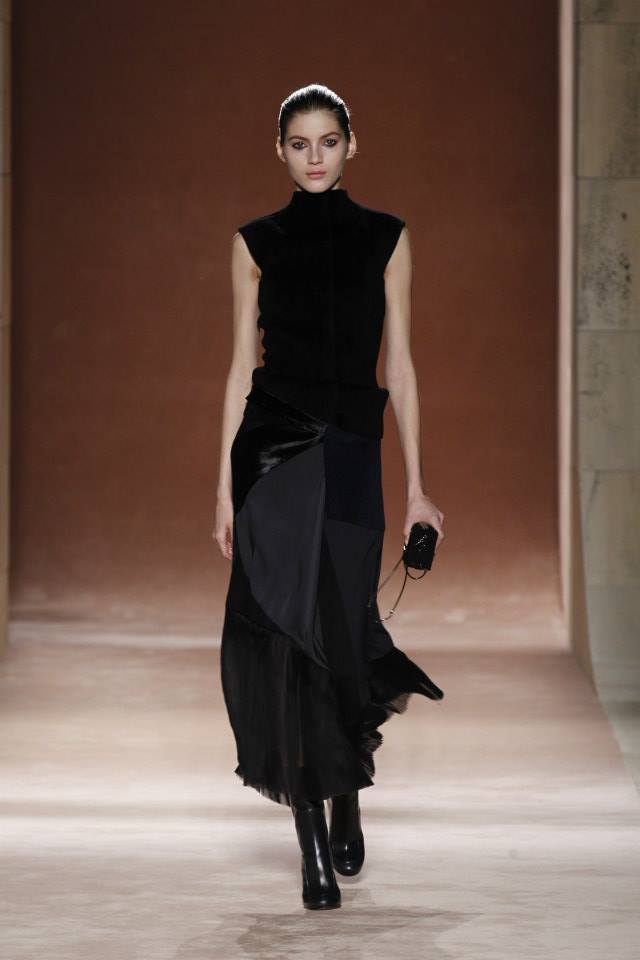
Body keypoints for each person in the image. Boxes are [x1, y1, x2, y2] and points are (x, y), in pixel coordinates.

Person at [214, 83, 446, 911]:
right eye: (299, 143)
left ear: (352, 144)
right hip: (273, 457)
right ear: (279, 150)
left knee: (345, 629)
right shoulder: (255, 243)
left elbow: (401, 368)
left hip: (350, 453)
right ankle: (312, 835)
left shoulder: (387, 238)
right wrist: (223, 490)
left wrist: (417, 490)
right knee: (289, 639)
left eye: (328, 141)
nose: (314, 156)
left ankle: (347, 785)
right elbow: (240, 370)